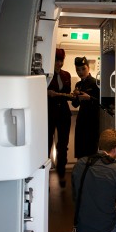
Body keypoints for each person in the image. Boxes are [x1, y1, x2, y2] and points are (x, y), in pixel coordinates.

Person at [47, 48, 73, 187]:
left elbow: (68, 94)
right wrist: (47, 93)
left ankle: (61, 174)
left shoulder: (66, 75)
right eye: (56, 60)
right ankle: (44, 176)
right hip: (49, 113)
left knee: (63, 145)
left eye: (61, 60)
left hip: (63, 113)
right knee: (47, 144)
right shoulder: (47, 76)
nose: (59, 63)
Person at [71, 56, 101, 158]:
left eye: (83, 69)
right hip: (81, 119)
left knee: (91, 151)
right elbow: (75, 104)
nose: (81, 72)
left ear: (88, 68)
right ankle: (81, 172)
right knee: (80, 150)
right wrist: (76, 97)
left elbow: (101, 104)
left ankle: (89, 173)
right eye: (78, 70)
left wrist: (89, 98)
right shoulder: (78, 84)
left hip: (92, 121)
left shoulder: (95, 83)